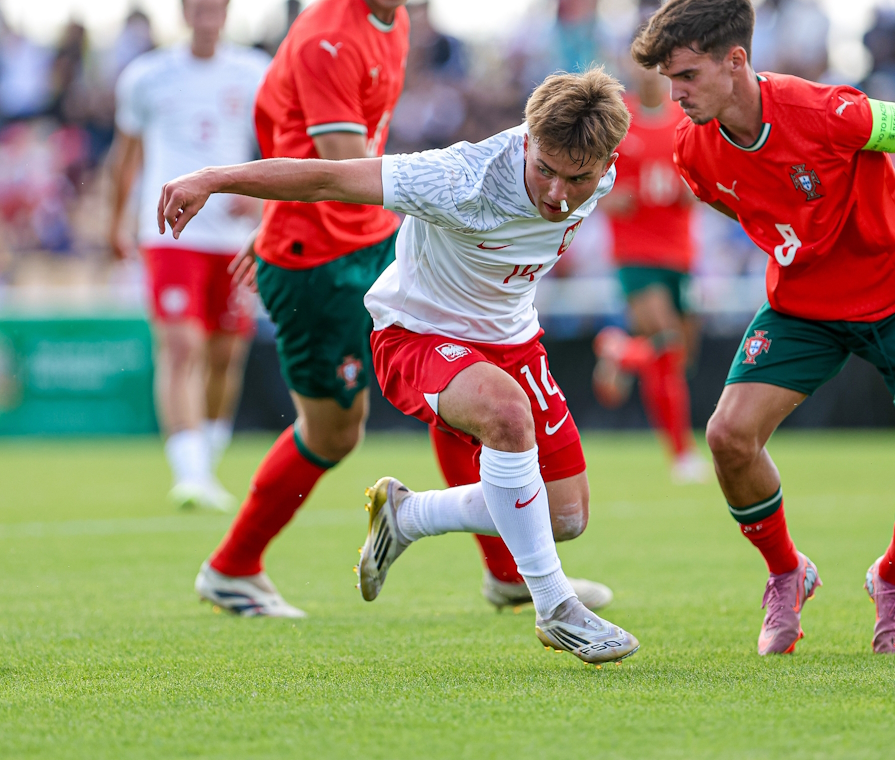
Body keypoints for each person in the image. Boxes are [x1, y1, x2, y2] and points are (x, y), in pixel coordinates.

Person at [158, 69, 639, 665]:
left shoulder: (600, 162)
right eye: (545, 170)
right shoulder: (460, 177)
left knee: (565, 517)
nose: (559, 195)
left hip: (515, 341)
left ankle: (409, 516)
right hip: (417, 334)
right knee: (506, 414)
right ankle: (556, 608)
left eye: (579, 179)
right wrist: (212, 178)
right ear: (527, 141)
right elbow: (328, 177)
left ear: (608, 162)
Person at [631, 0, 895, 656]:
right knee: (728, 437)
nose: (676, 95)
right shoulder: (692, 151)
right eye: (669, 80)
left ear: (735, 61)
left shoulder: (833, 113)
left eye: (687, 76)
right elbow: (742, 203)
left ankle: (891, 579)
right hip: (804, 305)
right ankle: (787, 572)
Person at [110, 0, 270, 511]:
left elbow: (279, 142)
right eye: (198, 7)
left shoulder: (254, 71)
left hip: (232, 236)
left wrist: (263, 201)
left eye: (215, 7)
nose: (207, 17)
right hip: (170, 232)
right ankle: (190, 473)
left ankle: (206, 461)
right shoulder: (147, 76)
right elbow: (125, 155)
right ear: (183, 12)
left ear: (227, 11)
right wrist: (115, 220)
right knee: (182, 347)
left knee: (226, 354)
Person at [592, 67, 707, 483]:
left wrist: (697, 189)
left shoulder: (686, 119)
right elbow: (588, 173)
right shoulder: (619, 120)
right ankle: (682, 454)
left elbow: (702, 176)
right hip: (635, 252)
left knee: (679, 358)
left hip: (680, 252)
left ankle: (620, 350)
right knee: (667, 341)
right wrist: (604, 196)